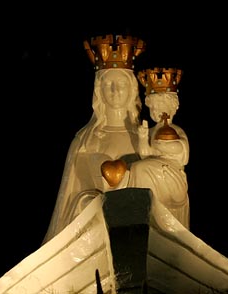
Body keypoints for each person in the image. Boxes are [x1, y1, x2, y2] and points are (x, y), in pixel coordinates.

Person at [42, 34, 146, 243]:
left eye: (121, 84)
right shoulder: (85, 140)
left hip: (137, 232)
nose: (115, 91)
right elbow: (68, 203)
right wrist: (91, 203)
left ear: (132, 88)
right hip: (94, 237)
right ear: (99, 90)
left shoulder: (144, 138)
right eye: (108, 84)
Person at [128, 68, 190, 229]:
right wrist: (142, 138)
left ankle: (142, 218)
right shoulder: (150, 131)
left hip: (171, 175)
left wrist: (164, 146)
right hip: (153, 169)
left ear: (173, 107)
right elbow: (145, 154)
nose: (156, 110)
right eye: (153, 107)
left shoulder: (176, 130)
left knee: (140, 169)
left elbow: (183, 153)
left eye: (161, 105)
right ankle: (142, 220)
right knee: (137, 168)